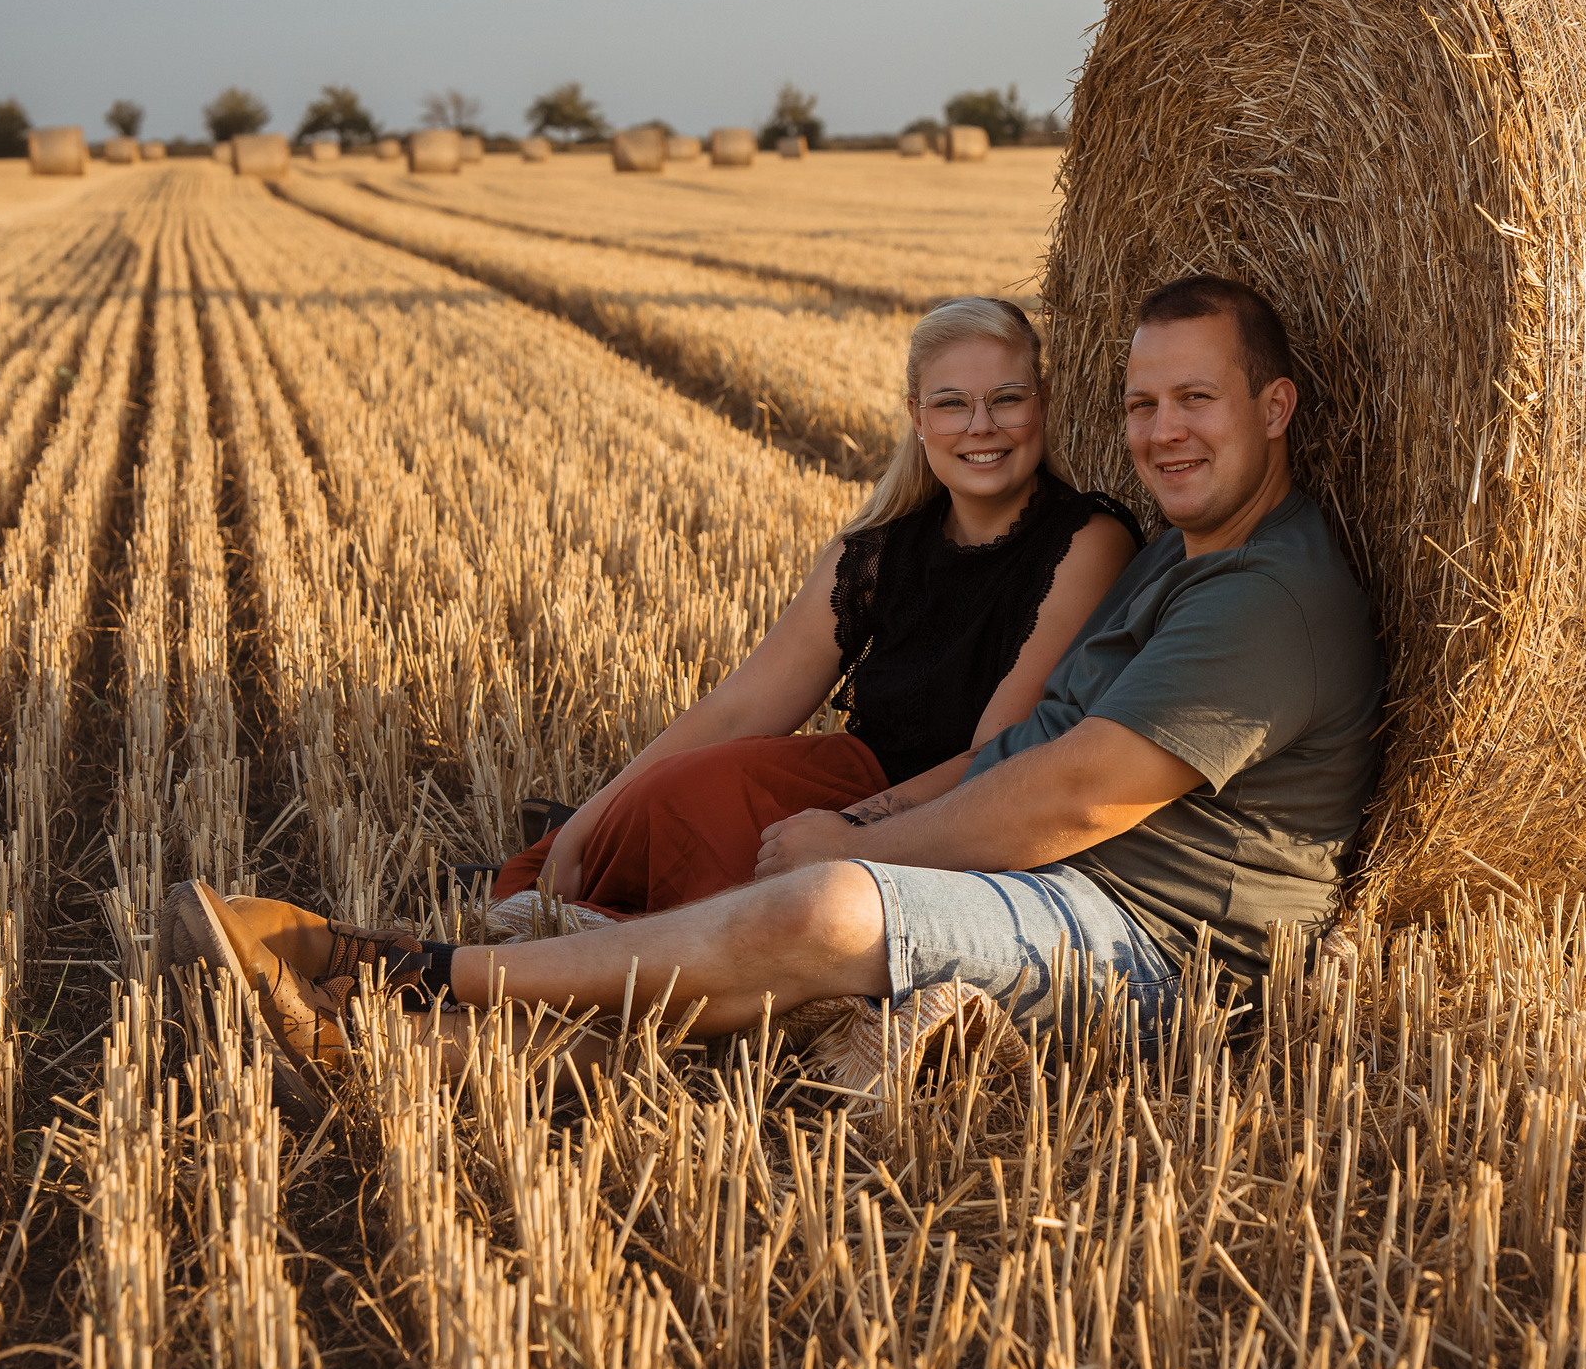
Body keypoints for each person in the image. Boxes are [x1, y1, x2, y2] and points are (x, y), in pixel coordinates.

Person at [166, 277, 1384, 1112]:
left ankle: (400, 969)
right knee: (779, 920)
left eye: (1197, 401)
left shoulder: (1261, 596)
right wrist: (830, 824)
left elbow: (1060, 799)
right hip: (1064, 893)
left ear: (1274, 409)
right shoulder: (1186, 548)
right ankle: (427, 1055)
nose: (1163, 433)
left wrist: (856, 845)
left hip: (1157, 953)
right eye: (1142, 404)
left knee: (829, 917)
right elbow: (1022, 741)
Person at [484, 294, 1140, 931]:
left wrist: (852, 831)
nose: (981, 426)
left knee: (709, 819)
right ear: (916, 416)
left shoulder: (1085, 542)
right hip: (851, 780)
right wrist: (591, 819)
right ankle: (603, 888)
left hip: (954, 821)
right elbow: (739, 708)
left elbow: (998, 757)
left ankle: (643, 932)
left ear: (1044, 402)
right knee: (681, 794)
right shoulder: (883, 548)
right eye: (951, 404)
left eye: (1007, 398)